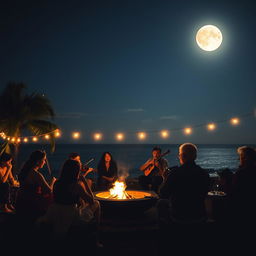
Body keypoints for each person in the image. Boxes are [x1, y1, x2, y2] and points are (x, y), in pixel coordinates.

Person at [38, 159, 101, 246]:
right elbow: (91, 200)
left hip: (55, 212)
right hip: (71, 215)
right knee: (97, 203)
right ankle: (96, 239)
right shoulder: (76, 186)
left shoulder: (57, 183)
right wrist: (84, 182)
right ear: (76, 171)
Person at [157, 143, 210, 225]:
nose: (179, 157)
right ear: (195, 157)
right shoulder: (204, 174)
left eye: (179, 155)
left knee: (161, 203)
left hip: (179, 217)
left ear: (182, 156)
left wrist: (165, 179)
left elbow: (162, 193)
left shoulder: (175, 173)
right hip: (200, 216)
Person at [15, 150, 56, 222]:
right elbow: (49, 190)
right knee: (53, 196)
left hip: (21, 201)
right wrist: (53, 182)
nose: (45, 162)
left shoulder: (25, 170)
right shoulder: (36, 174)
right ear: (38, 161)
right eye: (43, 160)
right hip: (32, 204)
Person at [229, 146, 256, 226]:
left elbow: (234, 192)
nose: (239, 160)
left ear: (246, 158)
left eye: (240, 157)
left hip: (242, 210)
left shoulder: (241, 173)